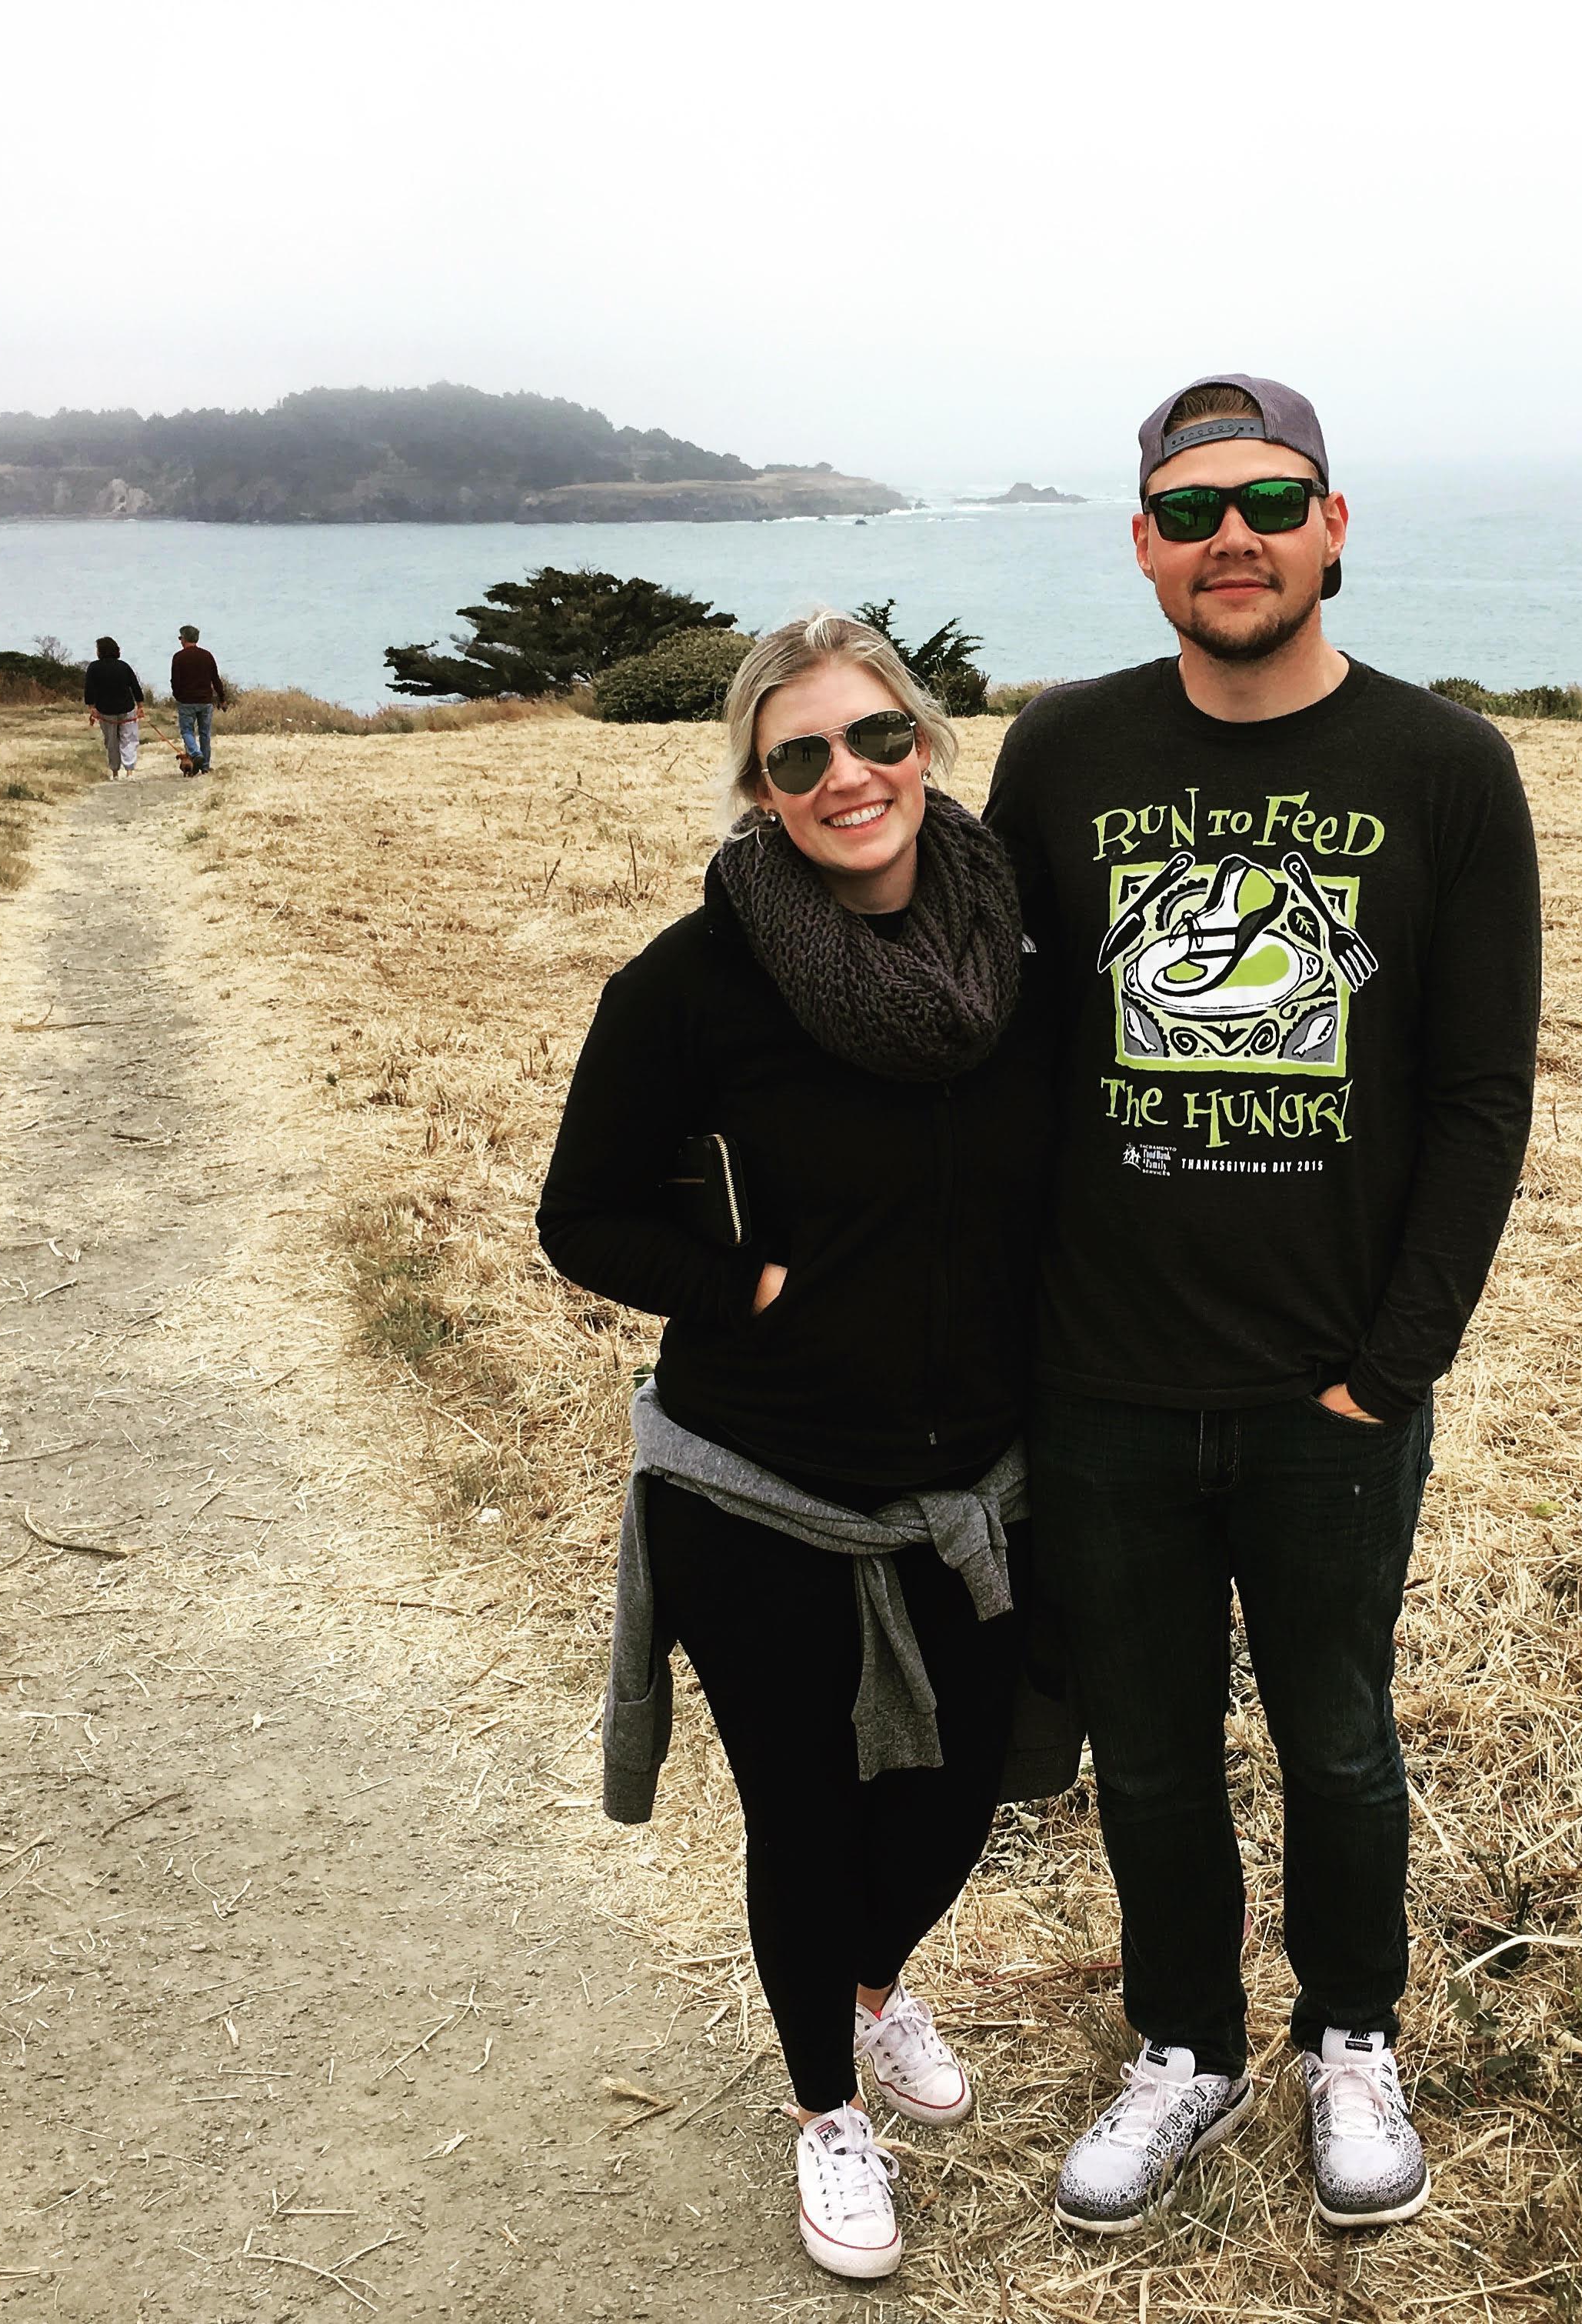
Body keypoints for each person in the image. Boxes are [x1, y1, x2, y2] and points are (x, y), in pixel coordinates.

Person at [982, 376, 1541, 2234]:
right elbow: (997, 1039)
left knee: (1338, 1738)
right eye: (1190, 507)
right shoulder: (1059, 752)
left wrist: (1392, 1367)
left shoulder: (1444, 766)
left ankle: (1349, 2036)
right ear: (1144, 546)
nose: (1233, 534)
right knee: (1144, 1750)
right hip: (1103, 1381)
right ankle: (1184, 2045)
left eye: (1271, 500)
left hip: (1330, 1388)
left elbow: (1477, 1094)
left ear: (1332, 525)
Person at [536, 612, 1053, 2282]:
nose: (849, 776)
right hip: (755, 1488)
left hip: (972, 1485)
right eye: (801, 755)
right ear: (759, 788)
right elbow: (581, 1215)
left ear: (926, 742)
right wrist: (744, 1284)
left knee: (962, 1796)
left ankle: (872, 1985)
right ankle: (826, 2107)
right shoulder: (691, 985)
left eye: (876, 735)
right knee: (806, 1814)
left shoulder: (1016, 949)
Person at [169, 624, 229, 775]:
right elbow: (216, 679)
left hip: (186, 702)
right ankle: (205, 766)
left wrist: (178, 696)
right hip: (205, 701)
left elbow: (175, 681)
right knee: (205, 734)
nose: (180, 641)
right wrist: (222, 699)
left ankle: (196, 754)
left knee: (187, 731)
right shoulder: (207, 656)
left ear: (184, 639)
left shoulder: (178, 657)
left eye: (180, 638)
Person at [82, 638, 145, 777]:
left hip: (105, 711)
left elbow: (89, 689)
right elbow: (135, 686)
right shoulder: (124, 666)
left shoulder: (94, 668)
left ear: (100, 651)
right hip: (126, 708)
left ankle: (115, 772)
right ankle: (129, 771)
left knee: (111, 742)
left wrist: (92, 707)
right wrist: (140, 705)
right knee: (129, 739)